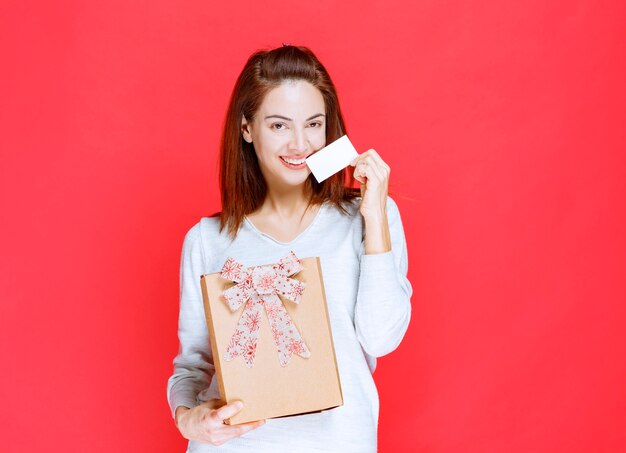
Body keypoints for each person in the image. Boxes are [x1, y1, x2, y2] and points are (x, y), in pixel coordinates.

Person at [167, 44, 412, 452]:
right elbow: (192, 367)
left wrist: (374, 218)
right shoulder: (206, 240)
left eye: (313, 124)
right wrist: (190, 419)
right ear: (247, 128)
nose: (300, 144)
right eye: (279, 126)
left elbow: (381, 338)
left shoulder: (368, 217)